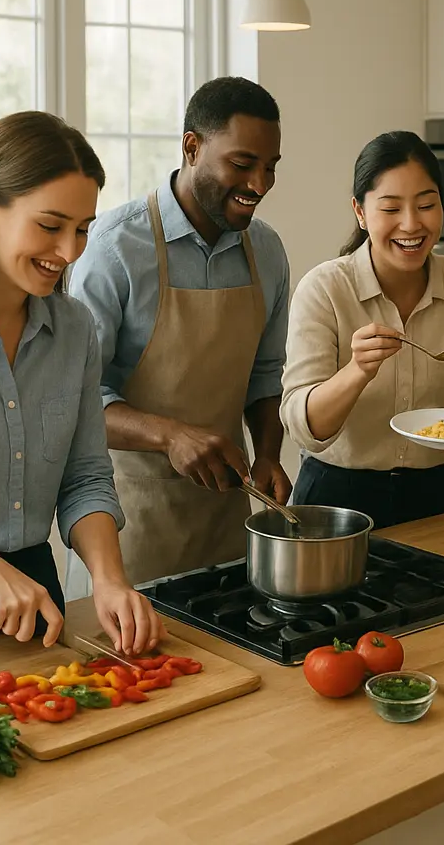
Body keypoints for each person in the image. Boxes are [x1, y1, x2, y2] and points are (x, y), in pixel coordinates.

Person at [68, 77, 292, 585]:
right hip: (132, 526)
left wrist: (269, 455)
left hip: (230, 521)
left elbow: (266, 373)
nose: (260, 184)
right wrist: (170, 435)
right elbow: (75, 400)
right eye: (242, 164)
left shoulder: (269, 251)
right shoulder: (113, 247)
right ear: (192, 147)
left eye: (271, 167)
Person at [0, 111, 164, 654]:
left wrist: (108, 578)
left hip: (35, 593)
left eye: (82, 229)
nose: (69, 251)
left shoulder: (75, 329)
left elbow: (83, 475)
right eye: (50, 225)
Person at [280, 131, 444, 529]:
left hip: (439, 494)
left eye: (426, 205)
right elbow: (303, 426)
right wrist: (356, 371)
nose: (411, 224)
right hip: (337, 499)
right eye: (391, 208)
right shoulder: (325, 288)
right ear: (360, 213)